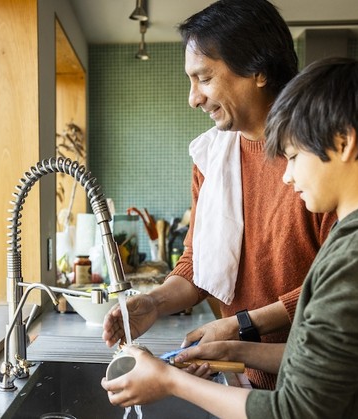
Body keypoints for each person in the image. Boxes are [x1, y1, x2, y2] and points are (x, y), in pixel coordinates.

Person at [101, 56, 358, 418]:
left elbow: (294, 411)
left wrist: (170, 381)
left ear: (344, 141)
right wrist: (234, 350)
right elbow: (324, 360)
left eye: (294, 156)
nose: (285, 177)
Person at [102, 0, 336, 390]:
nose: (193, 98)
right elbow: (200, 261)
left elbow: (336, 285)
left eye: (204, 78)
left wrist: (238, 328)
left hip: (317, 378)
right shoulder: (212, 157)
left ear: (258, 69)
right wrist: (155, 303)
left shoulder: (317, 157)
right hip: (249, 377)